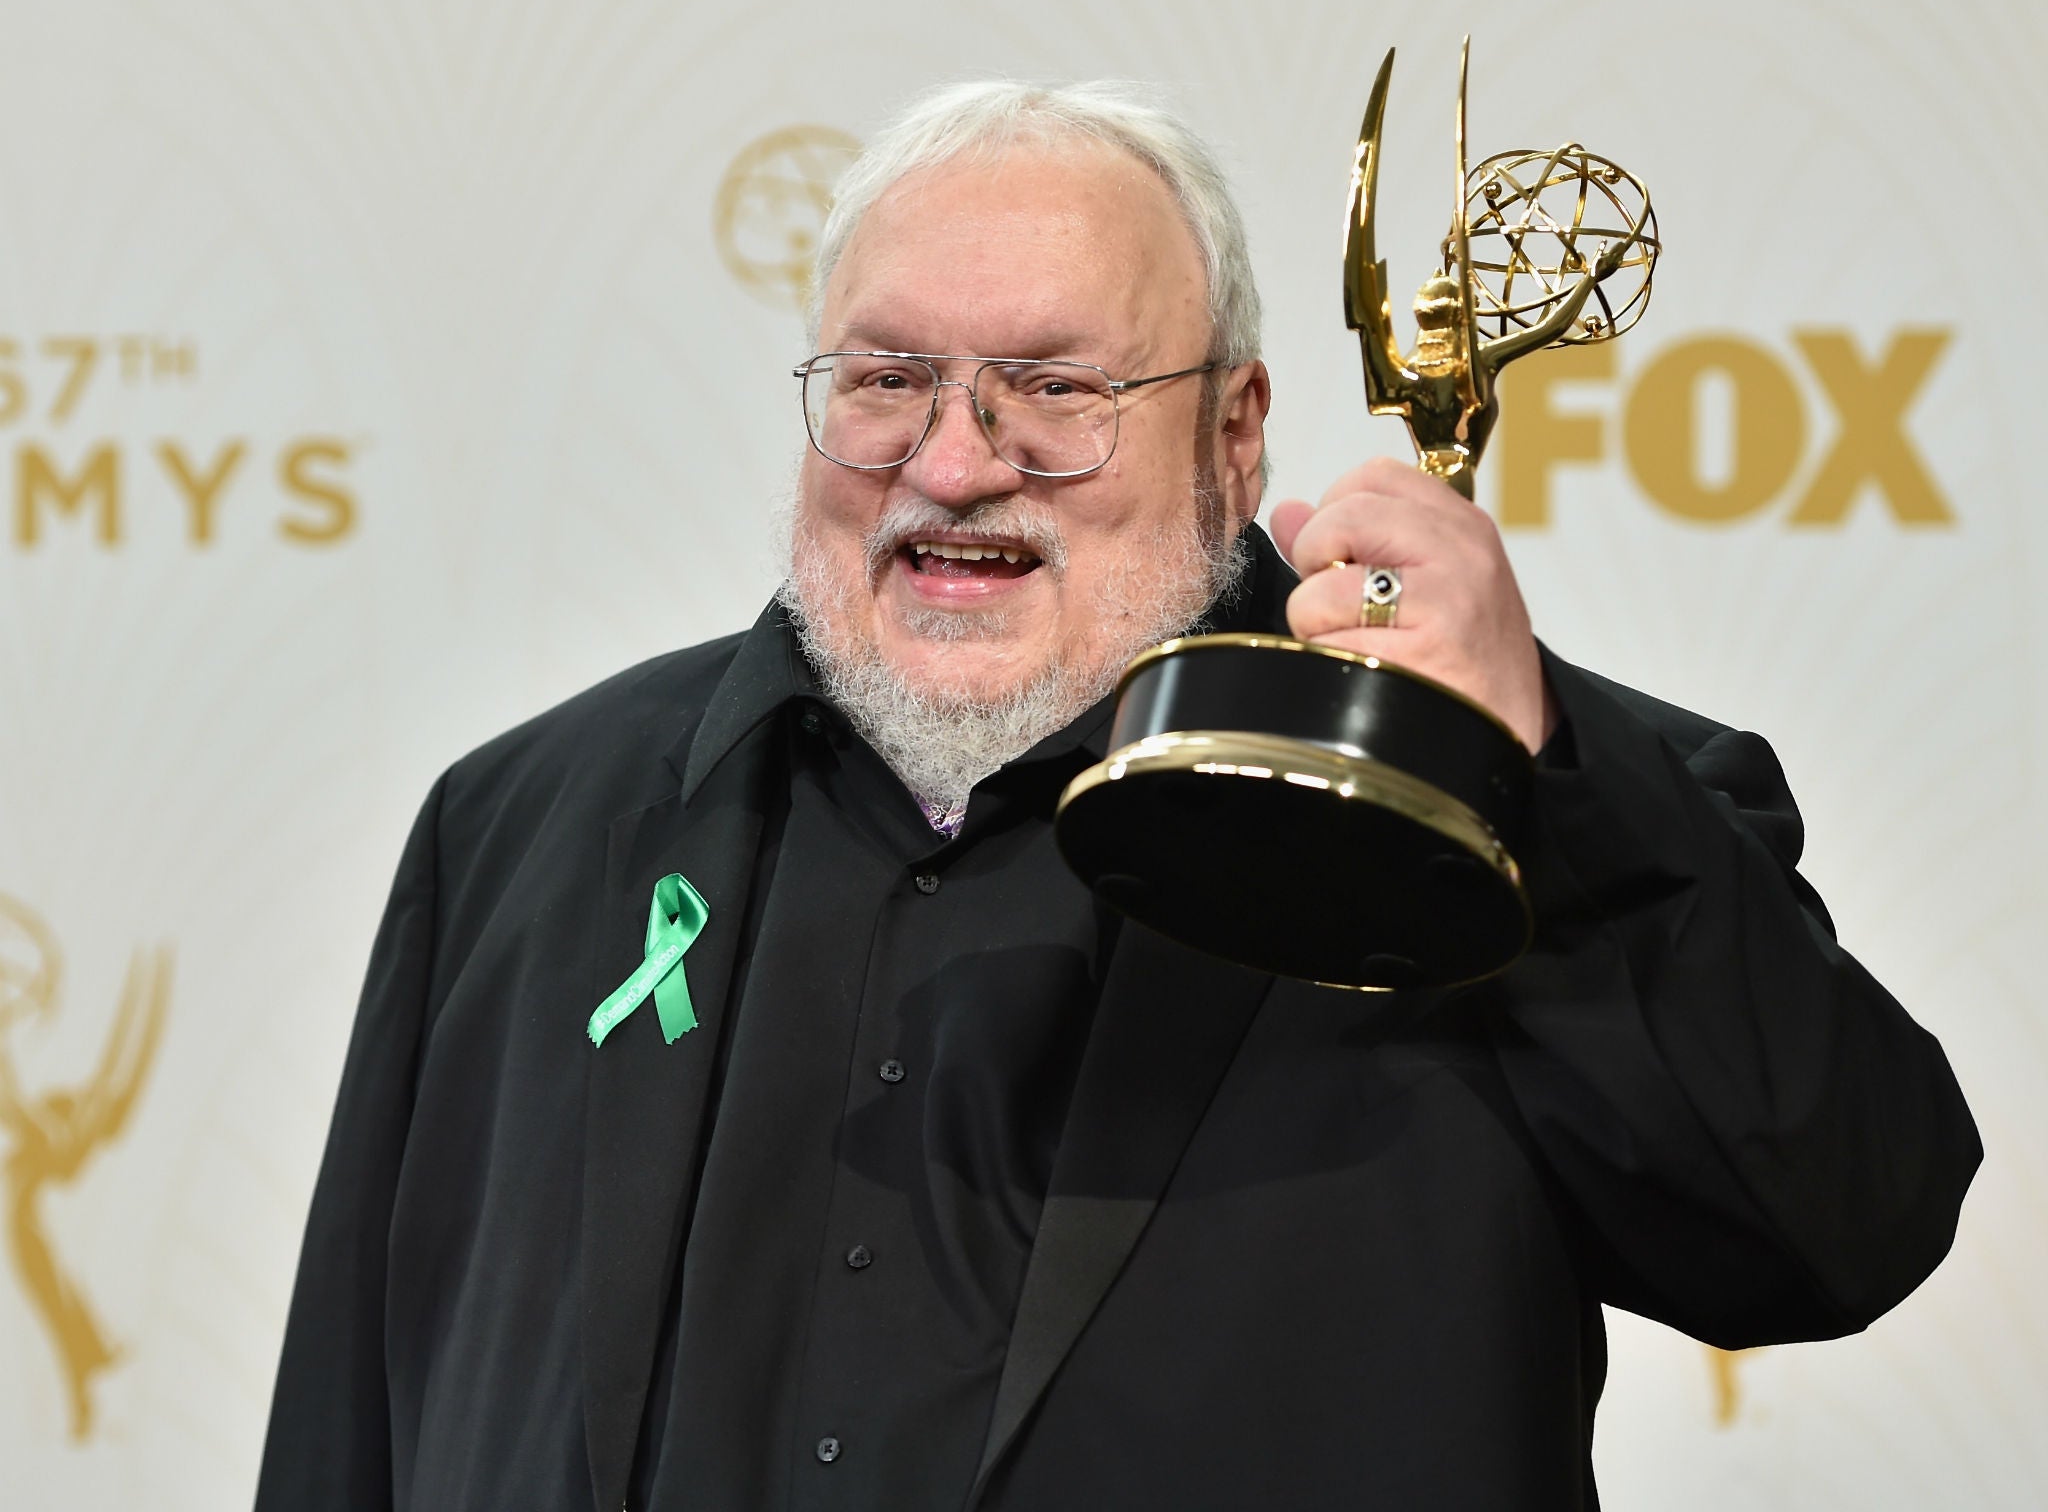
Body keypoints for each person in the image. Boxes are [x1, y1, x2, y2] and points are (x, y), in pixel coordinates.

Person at [253, 81, 1979, 1512]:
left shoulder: (1517, 800)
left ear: (1237, 437)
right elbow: (351, 1432)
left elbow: (1838, 1232)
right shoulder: (522, 830)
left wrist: (1540, 779)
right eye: (885, 380)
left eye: (1058, 391)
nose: (950, 461)